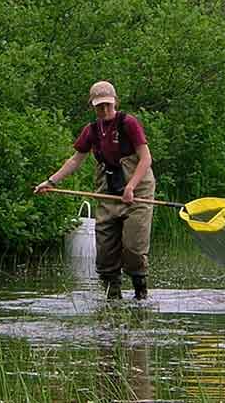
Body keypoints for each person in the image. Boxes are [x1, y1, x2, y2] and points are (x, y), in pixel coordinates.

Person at [34, 81, 155, 300]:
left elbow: (146, 158)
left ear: (115, 102)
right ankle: (113, 301)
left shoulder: (129, 123)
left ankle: (141, 295)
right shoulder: (91, 131)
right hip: (107, 192)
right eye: (100, 106)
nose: (105, 110)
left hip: (137, 192)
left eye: (108, 105)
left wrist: (131, 187)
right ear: (93, 106)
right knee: (106, 253)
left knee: (133, 249)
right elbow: (74, 160)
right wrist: (50, 182)